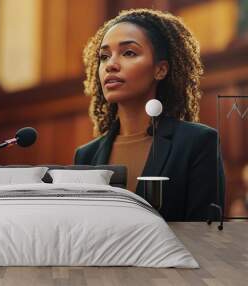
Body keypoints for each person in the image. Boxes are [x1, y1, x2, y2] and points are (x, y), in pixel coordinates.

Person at [74, 9, 225, 221]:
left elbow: (205, 237)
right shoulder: (85, 156)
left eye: (129, 53)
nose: (111, 65)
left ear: (160, 70)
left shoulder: (198, 143)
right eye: (104, 56)